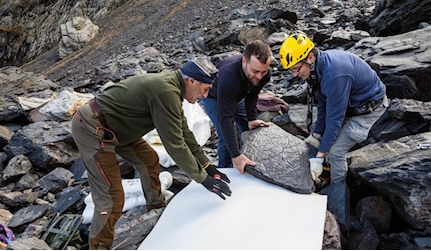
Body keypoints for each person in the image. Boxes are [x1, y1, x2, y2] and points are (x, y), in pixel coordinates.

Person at [70, 57, 232, 249]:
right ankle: (99, 247)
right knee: (112, 198)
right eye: (205, 89)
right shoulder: (166, 90)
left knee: (149, 160)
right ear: (191, 81)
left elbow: (184, 131)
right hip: (93, 129)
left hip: (119, 128)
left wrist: (207, 165)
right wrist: (202, 178)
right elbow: (175, 144)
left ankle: (155, 208)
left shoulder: (173, 89)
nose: (205, 96)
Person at [279, 33, 388, 229]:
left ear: (310, 57)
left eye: (296, 69)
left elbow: (335, 120)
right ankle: (322, 176)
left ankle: (339, 206)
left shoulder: (334, 74)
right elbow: (323, 107)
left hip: (370, 110)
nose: (295, 75)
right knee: (318, 141)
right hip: (352, 105)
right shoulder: (318, 69)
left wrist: (320, 156)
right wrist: (316, 136)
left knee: (336, 151)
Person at [202, 40, 272, 173]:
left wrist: (252, 118)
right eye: (255, 71)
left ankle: (249, 161)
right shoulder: (229, 76)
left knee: (248, 127)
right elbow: (226, 118)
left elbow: (253, 94)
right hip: (214, 97)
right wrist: (235, 154)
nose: (259, 76)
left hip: (238, 94)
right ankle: (225, 169)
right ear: (244, 61)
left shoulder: (264, 74)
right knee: (226, 134)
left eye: (263, 72)